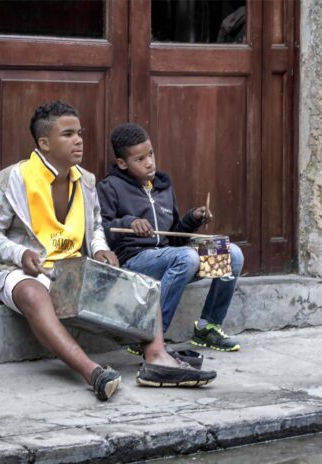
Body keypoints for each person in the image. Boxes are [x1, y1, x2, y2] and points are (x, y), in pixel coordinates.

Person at [0, 102, 216, 402]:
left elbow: (97, 226)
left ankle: (156, 358)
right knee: (33, 295)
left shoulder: (86, 180)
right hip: (23, 271)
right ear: (44, 143)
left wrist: (101, 250)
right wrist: (19, 254)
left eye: (80, 133)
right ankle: (94, 373)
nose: (78, 140)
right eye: (68, 134)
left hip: (73, 270)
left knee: (140, 280)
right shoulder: (14, 179)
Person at [97, 122, 244, 354]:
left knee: (231, 253)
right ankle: (150, 336)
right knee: (186, 258)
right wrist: (129, 222)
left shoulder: (163, 187)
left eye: (151, 154)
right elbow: (100, 229)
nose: (149, 163)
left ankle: (208, 327)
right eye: (140, 159)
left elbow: (174, 237)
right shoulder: (110, 187)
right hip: (134, 262)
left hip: (170, 258)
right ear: (123, 163)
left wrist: (193, 218)